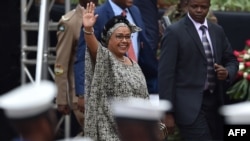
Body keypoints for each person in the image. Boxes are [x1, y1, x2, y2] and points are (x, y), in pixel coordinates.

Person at [158, 0, 239, 140]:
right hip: (189, 107)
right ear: (187, 6)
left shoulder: (217, 30)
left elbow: (231, 60)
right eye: (195, 6)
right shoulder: (174, 32)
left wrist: (226, 72)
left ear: (209, 7)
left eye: (203, 7)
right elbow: (166, 75)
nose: (199, 10)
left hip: (215, 104)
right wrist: (167, 112)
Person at [82, 2, 150, 140]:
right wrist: (88, 30)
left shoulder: (134, 65)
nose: (124, 41)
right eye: (119, 36)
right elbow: (95, 49)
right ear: (108, 39)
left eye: (128, 36)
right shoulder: (106, 59)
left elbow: (145, 99)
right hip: (109, 133)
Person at [74, 0, 159, 102]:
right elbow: (84, 56)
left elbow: (143, 49)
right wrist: (83, 93)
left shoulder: (135, 11)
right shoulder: (97, 16)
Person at [54, 0, 98, 136]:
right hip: (81, 94)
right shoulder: (69, 22)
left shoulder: (103, 14)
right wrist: (61, 98)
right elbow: (61, 63)